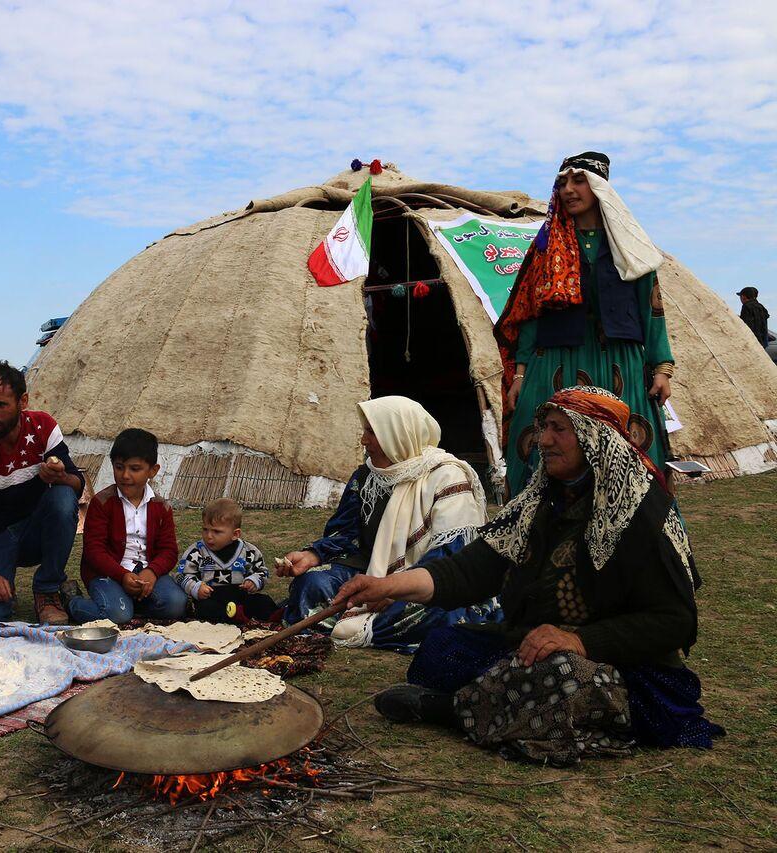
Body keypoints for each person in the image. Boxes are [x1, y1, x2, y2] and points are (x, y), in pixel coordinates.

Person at [337, 387, 724, 766]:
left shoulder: (641, 514)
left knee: (561, 676)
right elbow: (470, 570)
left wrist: (578, 640)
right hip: (534, 646)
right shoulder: (538, 502)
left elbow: (674, 622)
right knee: (443, 646)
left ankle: (452, 710)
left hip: (624, 668)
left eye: (559, 429)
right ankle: (497, 704)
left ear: (596, 438)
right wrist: (389, 586)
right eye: (543, 428)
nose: (544, 440)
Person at [497, 152, 674, 497]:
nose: (569, 189)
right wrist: (520, 373)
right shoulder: (546, 248)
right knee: (544, 450)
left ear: (599, 188)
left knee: (628, 452)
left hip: (619, 363)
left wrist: (662, 368)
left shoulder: (630, 247)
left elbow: (651, 309)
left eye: (579, 181)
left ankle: (631, 540)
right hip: (554, 364)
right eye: (562, 182)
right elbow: (532, 313)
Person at [278, 396, 499, 651]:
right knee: (312, 584)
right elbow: (347, 533)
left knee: (442, 613)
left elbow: (454, 552)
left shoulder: (447, 476)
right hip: (370, 573)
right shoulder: (366, 477)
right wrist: (313, 555)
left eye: (372, 432)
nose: (363, 441)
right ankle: (360, 621)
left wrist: (395, 587)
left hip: (427, 581)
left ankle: (348, 625)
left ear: (397, 434)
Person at [0, 360, 85, 625]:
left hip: (35, 530)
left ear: (22, 402)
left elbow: (77, 483)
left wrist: (60, 476)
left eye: (0, 405)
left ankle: (47, 589)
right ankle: (0, 578)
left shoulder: (43, 427)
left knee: (63, 497)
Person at [65, 428, 186, 623]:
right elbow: (94, 551)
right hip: (108, 574)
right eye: (119, 467)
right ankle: (72, 601)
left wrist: (152, 571)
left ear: (153, 471)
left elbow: (169, 550)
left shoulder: (161, 507)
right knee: (117, 615)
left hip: (145, 572)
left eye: (135, 469)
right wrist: (122, 576)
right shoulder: (102, 502)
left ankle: (129, 601)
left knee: (176, 604)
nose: (125, 475)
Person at [173, 498, 275, 624]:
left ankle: (269, 615)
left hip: (240, 597)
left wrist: (254, 581)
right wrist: (195, 587)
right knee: (206, 609)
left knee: (264, 602)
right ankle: (234, 617)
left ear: (235, 534)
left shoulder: (249, 552)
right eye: (205, 529)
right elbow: (181, 575)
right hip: (212, 598)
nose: (209, 536)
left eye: (216, 531)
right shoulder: (197, 552)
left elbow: (262, 572)